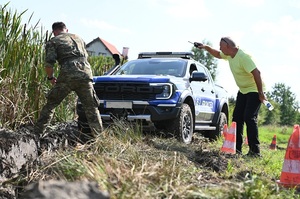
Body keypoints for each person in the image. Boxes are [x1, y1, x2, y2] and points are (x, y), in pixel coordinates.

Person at [196, 37, 266, 157]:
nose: (220, 49)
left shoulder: (243, 57)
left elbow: (257, 73)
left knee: (249, 118)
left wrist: (260, 93)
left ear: (228, 46)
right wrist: (206, 47)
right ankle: (237, 149)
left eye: (221, 46)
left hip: (254, 90)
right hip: (243, 91)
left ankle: (255, 151)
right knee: (237, 118)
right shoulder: (229, 55)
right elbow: (217, 54)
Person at [34, 22, 103, 141]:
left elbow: (49, 64)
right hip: (85, 75)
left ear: (54, 32)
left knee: (51, 103)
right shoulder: (79, 38)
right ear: (66, 29)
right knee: (92, 108)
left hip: (68, 75)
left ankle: (37, 133)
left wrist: (51, 77)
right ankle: (100, 138)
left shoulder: (54, 41)